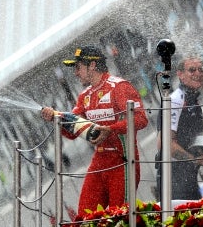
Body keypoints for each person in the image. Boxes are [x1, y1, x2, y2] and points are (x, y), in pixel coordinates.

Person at [41, 45, 148, 218]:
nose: (75, 73)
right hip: (99, 161)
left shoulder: (119, 87)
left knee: (119, 218)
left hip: (123, 160)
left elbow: (141, 119)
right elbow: (72, 132)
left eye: (78, 67)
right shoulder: (84, 96)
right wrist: (56, 119)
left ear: (92, 65)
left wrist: (110, 130)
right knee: (84, 218)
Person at [156, 55, 203, 200]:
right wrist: (196, 160)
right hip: (173, 177)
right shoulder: (175, 100)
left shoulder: (193, 99)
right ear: (180, 75)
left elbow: (192, 140)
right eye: (192, 70)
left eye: (201, 69)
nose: (198, 73)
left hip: (189, 175)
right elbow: (165, 144)